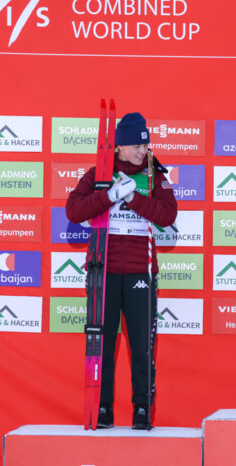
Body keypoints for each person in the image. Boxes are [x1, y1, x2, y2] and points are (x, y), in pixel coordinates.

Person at [66, 112, 177, 430]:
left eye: (146, 144)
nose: (144, 150)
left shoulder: (156, 175)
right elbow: (74, 210)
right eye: (137, 145)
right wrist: (109, 195)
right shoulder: (99, 174)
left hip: (141, 272)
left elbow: (168, 215)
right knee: (102, 344)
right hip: (103, 271)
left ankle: (142, 407)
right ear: (119, 146)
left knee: (142, 344)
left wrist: (133, 197)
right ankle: (102, 409)